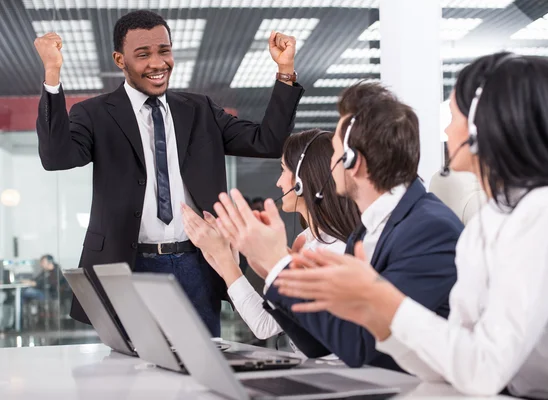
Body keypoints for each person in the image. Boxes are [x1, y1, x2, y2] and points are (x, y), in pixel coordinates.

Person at [274, 53, 548, 398]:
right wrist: (372, 310)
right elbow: (450, 360)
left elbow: (484, 368)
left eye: (454, 115)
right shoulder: (489, 221)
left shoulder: (545, 211)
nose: (446, 129)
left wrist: (379, 296)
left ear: (479, 127)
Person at [33, 10, 303, 336]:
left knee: (202, 365)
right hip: (128, 264)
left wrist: (285, 71)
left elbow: (268, 142)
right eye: (143, 54)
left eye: (164, 50)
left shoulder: (199, 110)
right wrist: (52, 73)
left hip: (197, 264)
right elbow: (56, 157)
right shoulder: (94, 114)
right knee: (132, 372)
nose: (158, 63)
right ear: (120, 59)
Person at [210, 82, 462, 370]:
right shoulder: (366, 230)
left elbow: (360, 346)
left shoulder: (428, 229)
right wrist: (267, 265)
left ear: (353, 161)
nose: (329, 164)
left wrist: (278, 264)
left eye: (334, 152)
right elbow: (318, 344)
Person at [181, 129, 360, 340]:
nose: (279, 182)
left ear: (302, 180)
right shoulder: (306, 240)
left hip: (330, 370)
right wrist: (225, 260)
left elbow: (265, 325)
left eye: (283, 170)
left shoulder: (334, 250)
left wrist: (224, 260)